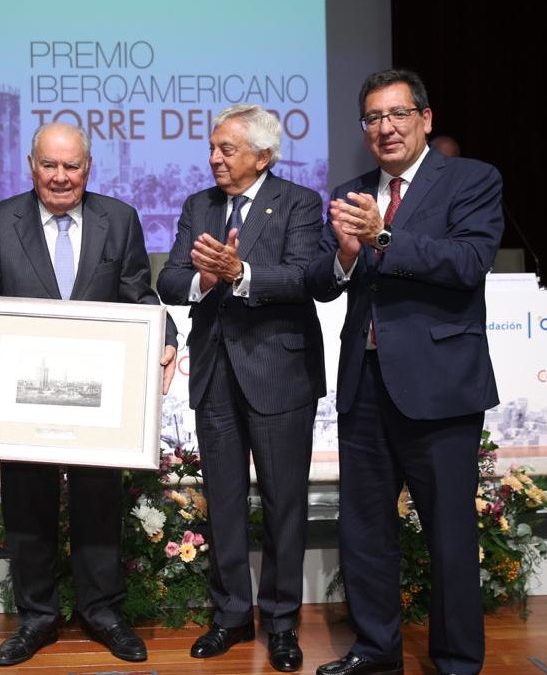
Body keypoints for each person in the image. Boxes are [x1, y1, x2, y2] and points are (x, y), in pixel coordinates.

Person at [0, 121, 177, 667]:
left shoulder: (120, 219)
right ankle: (37, 619)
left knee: (99, 504)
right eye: (50, 165)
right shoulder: (1, 221)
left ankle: (104, 613)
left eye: (72, 166)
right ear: (31, 165)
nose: (61, 177)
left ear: (87, 168)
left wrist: (164, 338)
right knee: (27, 506)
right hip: (21, 400)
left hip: (99, 401)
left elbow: (141, 296)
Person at [307, 69, 503, 675]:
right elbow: (322, 283)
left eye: (396, 115)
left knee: (448, 536)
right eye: (372, 118)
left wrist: (384, 236)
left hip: (440, 388)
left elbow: (468, 262)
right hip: (364, 385)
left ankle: (456, 661)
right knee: (365, 535)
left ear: (425, 117)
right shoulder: (352, 189)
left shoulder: (471, 180)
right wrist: (343, 254)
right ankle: (374, 650)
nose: (385, 128)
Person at [156, 104, 325, 673]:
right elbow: (170, 278)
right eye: (212, 148)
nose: (213, 158)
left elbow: (306, 276)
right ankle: (230, 615)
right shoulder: (197, 204)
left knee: (284, 505)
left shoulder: (298, 202)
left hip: (280, 373)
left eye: (226, 149)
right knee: (223, 503)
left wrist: (241, 273)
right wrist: (205, 278)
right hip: (214, 374)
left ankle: (281, 624)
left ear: (263, 156)